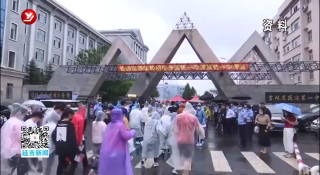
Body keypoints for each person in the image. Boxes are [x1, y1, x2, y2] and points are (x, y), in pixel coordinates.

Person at [98, 109, 136, 175]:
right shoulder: (120, 125)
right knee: (118, 170)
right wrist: (132, 132)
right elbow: (126, 136)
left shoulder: (109, 125)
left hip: (108, 151)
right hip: (118, 152)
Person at [172, 102, 205, 175]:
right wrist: (203, 136)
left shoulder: (178, 117)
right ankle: (185, 173)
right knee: (188, 158)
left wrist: (176, 135)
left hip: (179, 141)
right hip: (189, 141)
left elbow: (173, 128)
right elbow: (199, 129)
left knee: (181, 157)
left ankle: (182, 170)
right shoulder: (194, 118)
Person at [1, 103, 29, 175]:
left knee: (11, 170)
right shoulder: (19, 123)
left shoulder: (8, 121)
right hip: (18, 151)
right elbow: (24, 138)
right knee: (21, 171)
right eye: (24, 114)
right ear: (20, 113)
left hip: (8, 151)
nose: (24, 116)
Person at [52, 109, 79, 175]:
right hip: (69, 148)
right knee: (75, 161)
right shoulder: (70, 124)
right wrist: (76, 149)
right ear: (69, 115)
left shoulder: (59, 123)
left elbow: (53, 135)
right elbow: (72, 138)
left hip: (60, 147)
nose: (72, 117)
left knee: (61, 163)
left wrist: (57, 143)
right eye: (72, 115)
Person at [43, 110, 61, 175]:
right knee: (50, 164)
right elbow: (58, 138)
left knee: (45, 164)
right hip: (52, 148)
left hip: (44, 147)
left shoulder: (45, 125)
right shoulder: (56, 126)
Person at [71, 105, 88, 170]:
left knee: (81, 152)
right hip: (79, 139)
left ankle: (84, 164)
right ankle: (74, 166)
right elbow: (79, 130)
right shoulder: (81, 118)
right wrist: (80, 140)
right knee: (80, 152)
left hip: (75, 138)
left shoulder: (75, 116)